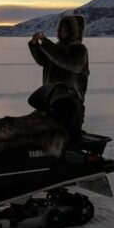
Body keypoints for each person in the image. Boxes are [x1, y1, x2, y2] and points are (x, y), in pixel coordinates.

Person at [28, 15, 89, 145]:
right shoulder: (57, 48)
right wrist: (35, 46)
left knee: (60, 137)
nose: (63, 32)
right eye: (61, 29)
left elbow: (63, 59)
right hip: (51, 98)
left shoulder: (79, 50)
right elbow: (44, 61)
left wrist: (45, 42)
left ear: (74, 32)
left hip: (69, 102)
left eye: (66, 30)